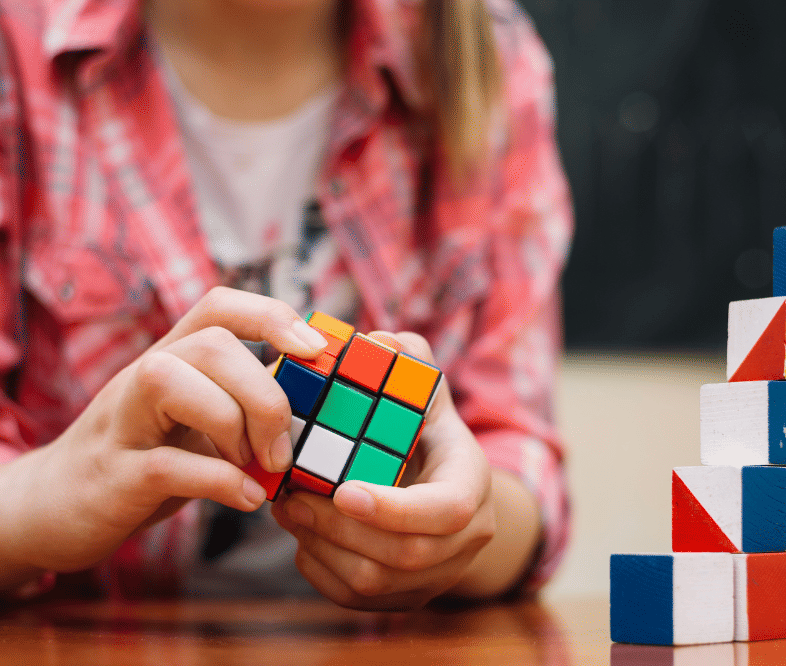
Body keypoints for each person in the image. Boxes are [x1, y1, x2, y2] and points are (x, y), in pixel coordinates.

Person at [0, 0, 571, 609]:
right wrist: (39, 497)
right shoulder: (17, 46)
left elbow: (519, 459)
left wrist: (462, 523)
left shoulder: (485, 51)